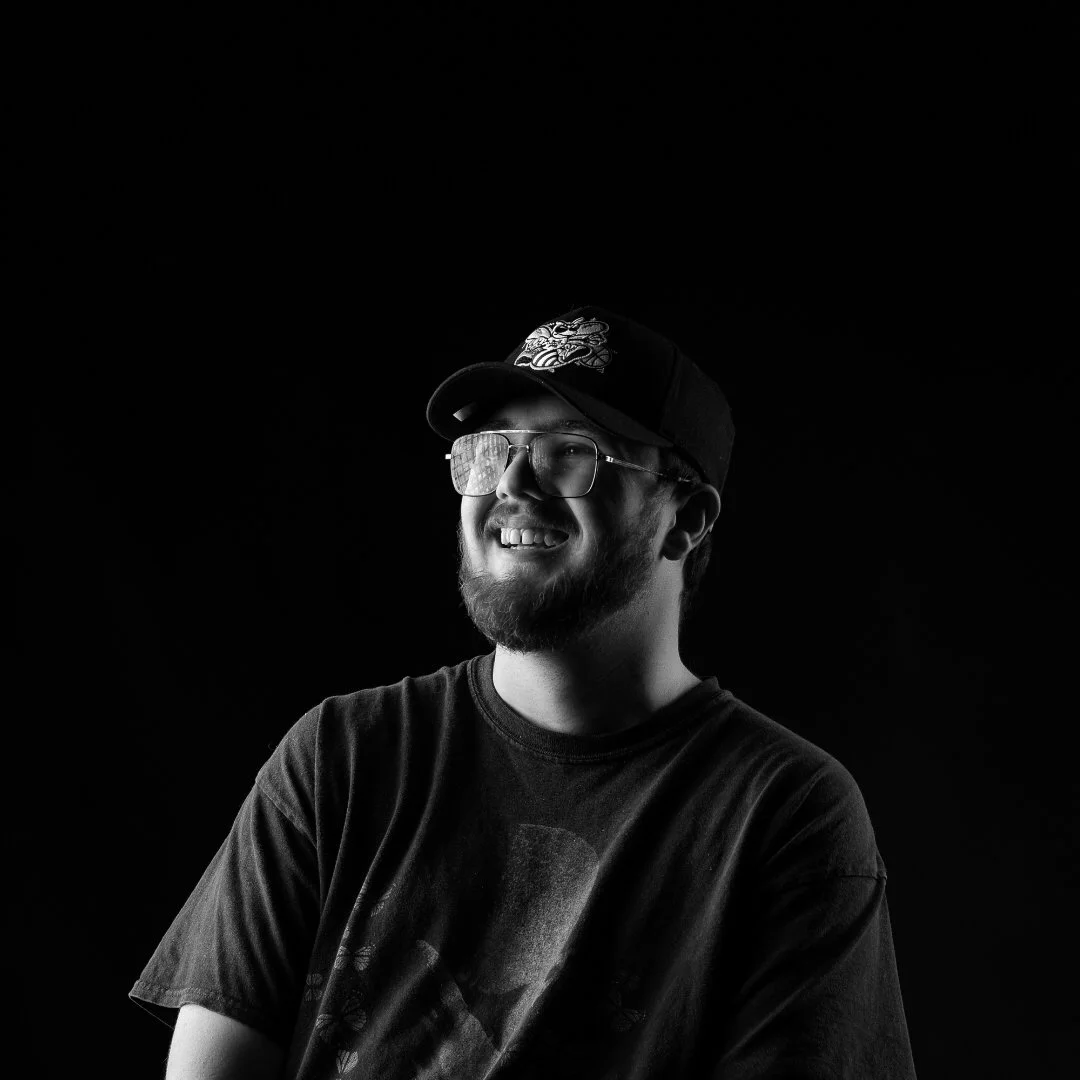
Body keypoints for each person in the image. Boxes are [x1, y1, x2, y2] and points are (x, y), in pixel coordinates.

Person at [131, 305, 917, 1079]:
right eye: (488, 448)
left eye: (572, 452)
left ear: (686, 520)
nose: (509, 482)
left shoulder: (783, 815)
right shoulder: (340, 757)